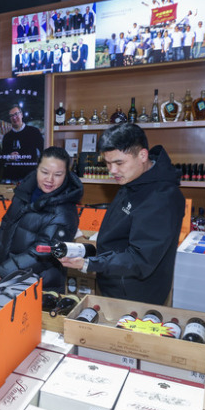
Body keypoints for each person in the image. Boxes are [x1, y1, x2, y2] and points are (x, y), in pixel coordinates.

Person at [59, 123, 185, 305]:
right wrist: (88, 253)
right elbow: (119, 236)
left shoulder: (162, 198)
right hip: (115, 281)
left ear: (142, 155)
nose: (112, 171)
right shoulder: (133, 178)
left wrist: (90, 264)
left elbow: (141, 259)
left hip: (135, 296)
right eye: (108, 163)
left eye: (119, 163)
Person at [0, 147, 83, 291]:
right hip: (10, 276)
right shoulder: (24, 193)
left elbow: (44, 252)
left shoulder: (64, 211)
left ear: (66, 175)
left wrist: (2, 272)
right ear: (37, 168)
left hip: (40, 285)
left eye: (58, 174)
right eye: (45, 172)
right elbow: (7, 223)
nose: (50, 179)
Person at [0, 104, 44, 182]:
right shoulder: (7, 137)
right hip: (12, 177)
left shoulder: (34, 132)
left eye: (16, 114)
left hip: (30, 177)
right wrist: (9, 157)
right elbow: (2, 157)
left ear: (21, 114)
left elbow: (43, 151)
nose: (14, 117)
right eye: (11, 116)